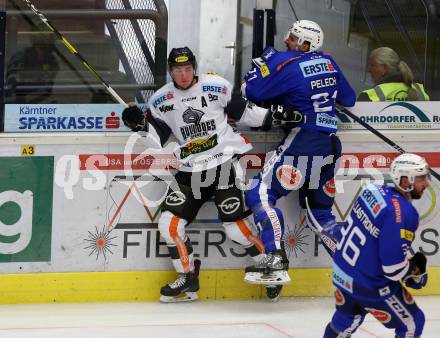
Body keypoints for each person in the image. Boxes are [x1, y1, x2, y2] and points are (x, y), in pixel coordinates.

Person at [122, 46, 297, 302]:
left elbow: (247, 113)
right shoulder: (160, 100)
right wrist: (139, 125)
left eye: (188, 69)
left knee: (236, 228)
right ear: (171, 71)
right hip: (189, 170)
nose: (183, 75)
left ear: (195, 68)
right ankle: (188, 278)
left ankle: (270, 265)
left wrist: (277, 117)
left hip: (223, 164)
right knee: (168, 226)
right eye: (178, 70)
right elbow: (156, 137)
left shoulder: (216, 86)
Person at [242, 20, 356, 284]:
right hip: (329, 144)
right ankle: (356, 270)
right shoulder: (330, 62)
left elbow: (253, 90)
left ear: (306, 45)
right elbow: (348, 99)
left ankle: (275, 257)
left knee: (259, 192)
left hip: (304, 141)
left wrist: (259, 67)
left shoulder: (289, 65)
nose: (287, 41)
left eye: (293, 38)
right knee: (321, 215)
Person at [323, 153, 430, 337]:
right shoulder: (404, 213)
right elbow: (393, 269)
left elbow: (369, 242)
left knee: (345, 321)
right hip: (370, 286)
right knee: (412, 323)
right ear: (405, 180)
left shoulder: (371, 190)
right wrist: (414, 270)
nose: (426, 183)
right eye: (421, 178)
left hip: (343, 274)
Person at [357, 47, 429, 101]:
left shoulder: (369, 96)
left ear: (384, 68)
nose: (369, 70)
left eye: (372, 65)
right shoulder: (420, 91)